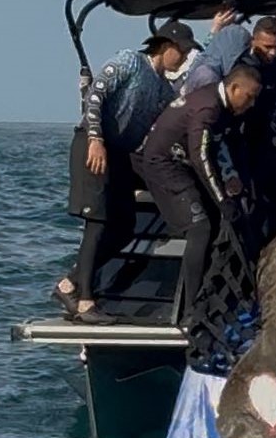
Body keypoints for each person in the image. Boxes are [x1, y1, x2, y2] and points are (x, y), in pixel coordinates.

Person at [53, 21, 195, 324]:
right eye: (181, 51)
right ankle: (86, 302)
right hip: (95, 144)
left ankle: (70, 283)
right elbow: (95, 96)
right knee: (98, 219)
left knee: (124, 224)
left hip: (120, 154)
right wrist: (95, 138)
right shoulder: (130, 61)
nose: (183, 58)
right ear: (165, 47)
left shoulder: (163, 89)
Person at [138, 65, 262, 311]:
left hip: (183, 165)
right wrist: (222, 199)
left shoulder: (221, 106)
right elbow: (201, 156)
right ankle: (191, 307)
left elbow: (218, 146)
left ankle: (216, 290)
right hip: (164, 164)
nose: (251, 104)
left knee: (218, 223)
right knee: (200, 228)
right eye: (249, 97)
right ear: (234, 88)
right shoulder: (208, 108)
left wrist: (230, 177)